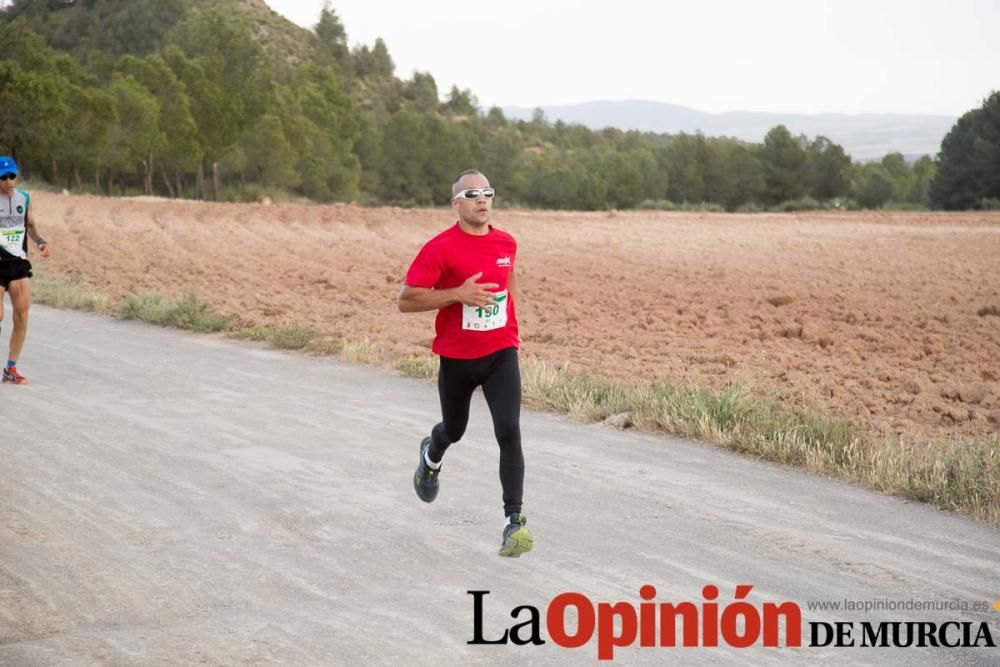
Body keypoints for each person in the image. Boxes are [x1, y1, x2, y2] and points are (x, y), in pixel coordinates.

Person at [397, 169, 533, 557]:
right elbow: (406, 300)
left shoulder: (507, 243)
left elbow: (509, 283)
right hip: (457, 357)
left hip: (500, 352)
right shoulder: (440, 248)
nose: (482, 199)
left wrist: (513, 328)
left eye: (487, 192)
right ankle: (431, 455)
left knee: (509, 431)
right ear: (456, 203)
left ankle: (514, 522)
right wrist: (459, 294)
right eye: (472, 193)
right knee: (454, 429)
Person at [0, 156, 51, 385]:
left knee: (21, 315)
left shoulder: (24, 198)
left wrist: (40, 241)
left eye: (12, 176)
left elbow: (29, 225)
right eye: (4, 177)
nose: (9, 181)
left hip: (18, 262)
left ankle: (11, 369)